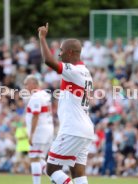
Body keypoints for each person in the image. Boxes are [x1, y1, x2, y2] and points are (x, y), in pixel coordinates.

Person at [38, 23, 94, 184]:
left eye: (61, 50)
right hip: (84, 128)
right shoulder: (85, 71)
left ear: (70, 52)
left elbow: (48, 60)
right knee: (77, 171)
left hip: (73, 128)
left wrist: (42, 38)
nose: (59, 54)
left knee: (51, 169)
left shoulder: (74, 70)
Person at [24, 75, 54, 184]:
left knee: (35, 158)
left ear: (33, 83)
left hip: (40, 131)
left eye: (27, 84)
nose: (26, 87)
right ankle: (56, 178)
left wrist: (31, 134)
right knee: (40, 158)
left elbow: (36, 115)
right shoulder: (45, 95)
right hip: (48, 129)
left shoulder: (36, 97)